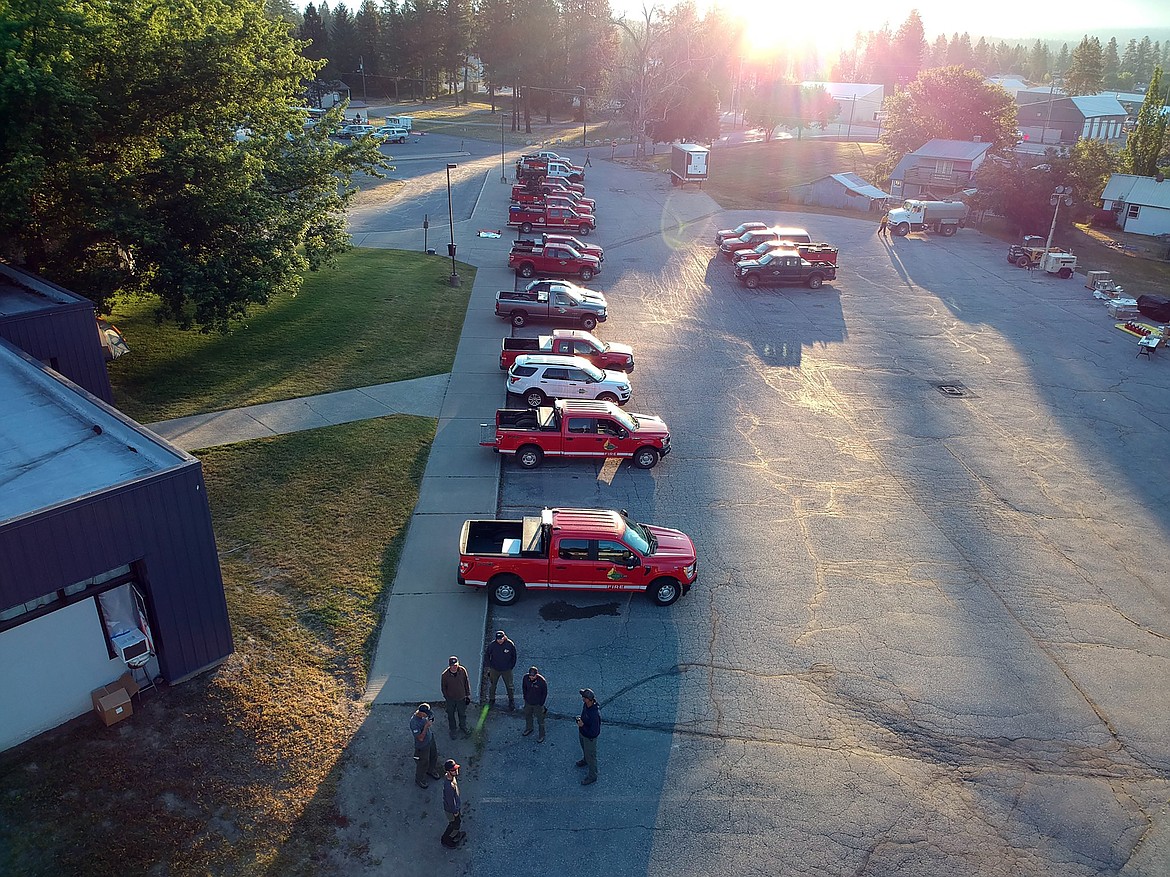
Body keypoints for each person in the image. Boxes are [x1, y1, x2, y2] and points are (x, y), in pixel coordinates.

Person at [409, 703, 443, 789]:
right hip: (422, 745)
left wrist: (430, 720)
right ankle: (419, 779)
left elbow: (431, 717)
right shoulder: (414, 722)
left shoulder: (424, 716)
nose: (427, 715)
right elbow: (420, 738)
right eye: (426, 714)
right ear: (421, 712)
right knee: (423, 762)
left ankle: (431, 770)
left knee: (433, 756)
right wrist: (426, 727)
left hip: (430, 739)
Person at [483, 630, 518, 710]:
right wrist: (489, 666)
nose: (500, 640)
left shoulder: (509, 644)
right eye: (498, 639)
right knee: (492, 685)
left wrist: (510, 666)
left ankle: (511, 700)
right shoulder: (492, 645)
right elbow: (487, 655)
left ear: (504, 637)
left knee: (509, 686)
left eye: (501, 639)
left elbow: (514, 656)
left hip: (506, 670)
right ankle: (492, 700)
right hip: (495, 669)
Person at [574, 688, 601, 785]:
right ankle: (585, 760)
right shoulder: (586, 705)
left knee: (591, 756)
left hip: (589, 738)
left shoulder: (594, 714)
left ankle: (592, 776)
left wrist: (582, 726)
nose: (582, 698)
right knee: (584, 749)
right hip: (583, 733)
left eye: (584, 697)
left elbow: (594, 732)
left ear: (589, 699)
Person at [441, 656, 472, 738]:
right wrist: (447, 698)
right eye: (452, 665)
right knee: (450, 715)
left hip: (461, 698)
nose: (454, 667)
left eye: (456, 665)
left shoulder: (462, 671)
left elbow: (466, 682)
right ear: (449, 666)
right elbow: (443, 687)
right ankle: (453, 729)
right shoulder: (445, 675)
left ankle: (463, 726)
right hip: (451, 699)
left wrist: (467, 695)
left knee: (462, 714)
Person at [440, 759, 465, 848]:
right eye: (453, 770)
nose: (456, 771)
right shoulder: (449, 787)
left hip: (454, 808)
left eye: (456, 769)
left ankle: (455, 834)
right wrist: (455, 811)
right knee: (454, 824)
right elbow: (450, 801)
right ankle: (446, 840)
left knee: (455, 823)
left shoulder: (449, 777)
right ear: (448, 771)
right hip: (452, 810)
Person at [521, 666, 548, 742]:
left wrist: (541, 703)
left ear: (536, 674)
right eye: (530, 675)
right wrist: (525, 697)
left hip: (538, 704)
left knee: (540, 720)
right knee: (528, 716)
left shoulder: (542, 681)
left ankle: (541, 735)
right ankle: (529, 728)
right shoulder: (525, 678)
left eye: (533, 676)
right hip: (528, 702)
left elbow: (544, 693)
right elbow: (524, 687)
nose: (531, 677)